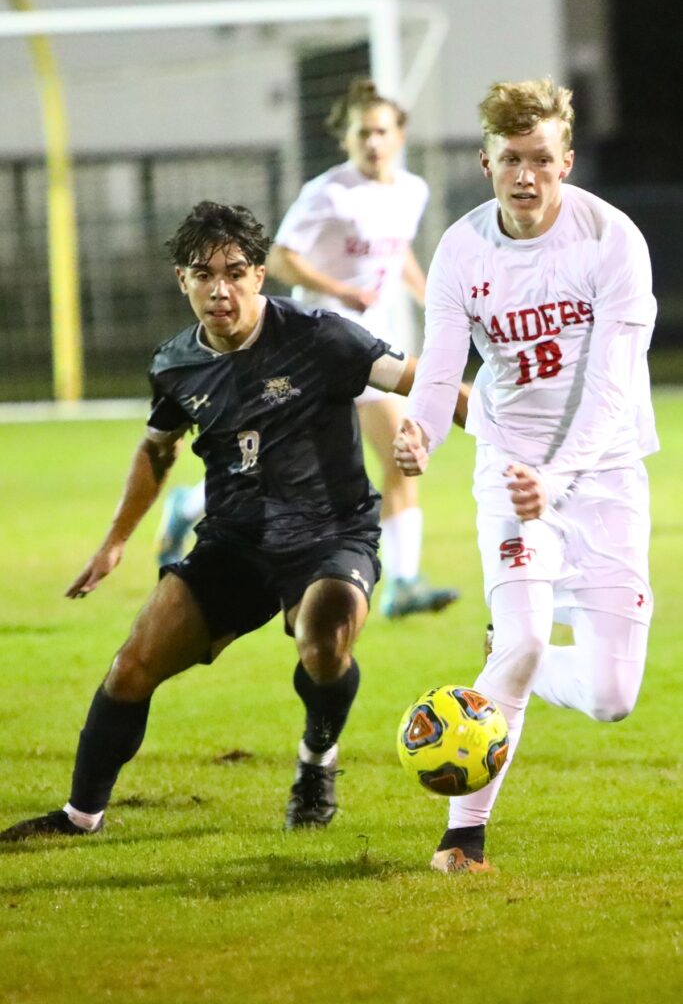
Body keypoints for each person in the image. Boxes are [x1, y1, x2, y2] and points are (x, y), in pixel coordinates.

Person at [0, 201, 467, 843]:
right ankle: (80, 817)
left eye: (235, 271)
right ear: (181, 280)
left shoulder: (320, 336)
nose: (220, 288)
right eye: (203, 273)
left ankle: (316, 759)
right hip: (235, 543)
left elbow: (423, 380)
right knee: (133, 665)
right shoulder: (175, 364)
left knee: (325, 640)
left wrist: (490, 439)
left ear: (259, 276)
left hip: (331, 536)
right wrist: (115, 543)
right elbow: (156, 449)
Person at [394, 78, 658, 873]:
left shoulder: (612, 241)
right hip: (510, 474)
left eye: (540, 159)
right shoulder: (461, 252)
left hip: (604, 477)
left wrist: (562, 476)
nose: (525, 175)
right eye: (510, 158)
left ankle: (520, 658)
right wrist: (421, 434)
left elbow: (612, 387)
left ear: (565, 162)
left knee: (612, 697)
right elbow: (441, 373)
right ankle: (461, 838)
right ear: (485, 162)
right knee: (522, 640)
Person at [158, 77, 460, 620]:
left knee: (399, 453)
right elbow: (282, 257)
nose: (372, 142)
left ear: (400, 135)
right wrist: (343, 291)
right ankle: (191, 503)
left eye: (382, 132)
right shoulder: (329, 192)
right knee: (286, 470)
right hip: (315, 351)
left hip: (371, 350)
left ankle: (405, 580)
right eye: (361, 132)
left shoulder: (412, 190)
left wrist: (433, 299)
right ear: (345, 137)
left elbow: (398, 257)